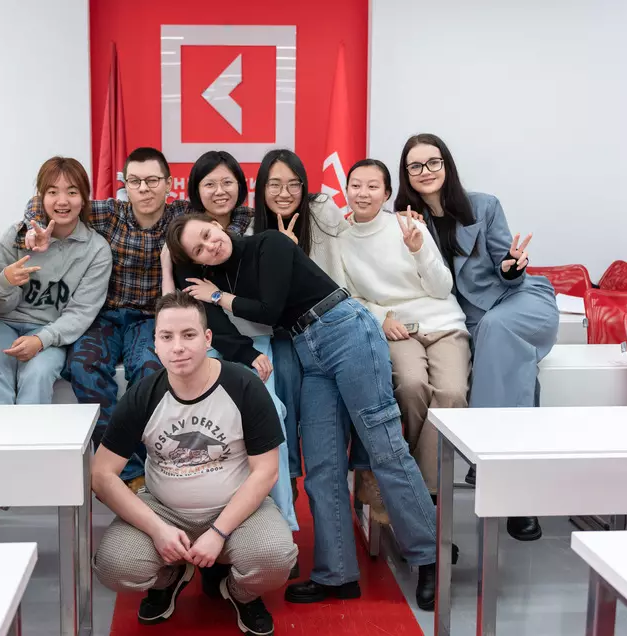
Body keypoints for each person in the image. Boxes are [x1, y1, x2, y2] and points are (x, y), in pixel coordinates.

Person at [166, 214, 444, 610]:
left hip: (344, 329)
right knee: (321, 463)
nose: (210, 245)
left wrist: (217, 297)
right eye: (199, 249)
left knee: (384, 448)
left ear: (217, 224)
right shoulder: (215, 276)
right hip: (307, 350)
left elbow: (269, 309)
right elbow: (199, 300)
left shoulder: (269, 243)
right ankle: (337, 574)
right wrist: (184, 271)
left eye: (208, 234)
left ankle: (430, 557)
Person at [19, 147, 251, 492]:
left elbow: (237, 213)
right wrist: (32, 227)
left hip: (150, 318)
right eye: (135, 181)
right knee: (83, 367)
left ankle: (154, 470)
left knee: (150, 370)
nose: (144, 188)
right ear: (124, 185)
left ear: (168, 183)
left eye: (153, 180)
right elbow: (41, 203)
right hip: (105, 317)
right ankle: (125, 470)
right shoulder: (108, 213)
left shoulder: (181, 215)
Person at [92, 291, 296, 635]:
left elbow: (266, 471)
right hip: (164, 509)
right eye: (166, 337)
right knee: (115, 567)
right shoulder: (143, 394)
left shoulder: (244, 385)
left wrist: (218, 533)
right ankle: (170, 576)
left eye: (188, 335)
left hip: (235, 510)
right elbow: (101, 474)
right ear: (155, 344)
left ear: (207, 338)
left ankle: (239, 592)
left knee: (276, 559)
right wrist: (157, 530)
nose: (178, 347)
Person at [395, 133, 559, 542]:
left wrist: (511, 266)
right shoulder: (405, 220)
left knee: (497, 331)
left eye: (433, 162)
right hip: (466, 319)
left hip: (517, 299)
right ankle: (516, 492)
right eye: (415, 166)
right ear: (407, 174)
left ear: (446, 164)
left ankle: (488, 462)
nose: (426, 171)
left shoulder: (484, 206)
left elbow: (508, 267)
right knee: (512, 360)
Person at [163, 151, 298, 537]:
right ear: (196, 190)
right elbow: (204, 314)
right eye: (210, 184)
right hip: (221, 344)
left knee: (271, 412)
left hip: (260, 336)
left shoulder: (256, 225)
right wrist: (245, 353)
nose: (220, 191)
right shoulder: (187, 233)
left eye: (227, 182)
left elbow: (267, 300)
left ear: (241, 185)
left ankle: (280, 522)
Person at [341, 159, 470, 498]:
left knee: (453, 394)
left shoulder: (408, 226)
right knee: (412, 388)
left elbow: (442, 288)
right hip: (396, 327)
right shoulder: (340, 239)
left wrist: (419, 252)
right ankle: (425, 487)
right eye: (356, 185)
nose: (363, 193)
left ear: (386, 193)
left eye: (373, 187)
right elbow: (348, 295)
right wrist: (380, 317)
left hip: (443, 323)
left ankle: (418, 488)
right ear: (346, 189)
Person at [250, 149, 349, 502]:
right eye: (274, 184)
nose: (284, 193)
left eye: (294, 184)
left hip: (329, 321)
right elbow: (267, 304)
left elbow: (347, 254)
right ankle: (289, 477)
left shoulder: (321, 210)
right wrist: (282, 255)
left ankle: (359, 472)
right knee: (285, 377)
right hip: (285, 331)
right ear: (262, 188)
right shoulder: (253, 230)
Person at [0, 157, 111, 406]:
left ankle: (32, 433)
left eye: (72, 192)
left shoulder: (97, 250)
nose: (62, 201)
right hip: (3, 324)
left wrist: (42, 340)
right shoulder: (17, 235)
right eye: (52, 192)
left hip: (50, 330)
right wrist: (6, 281)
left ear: (84, 198)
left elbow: (81, 312)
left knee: (38, 375)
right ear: (41, 197)